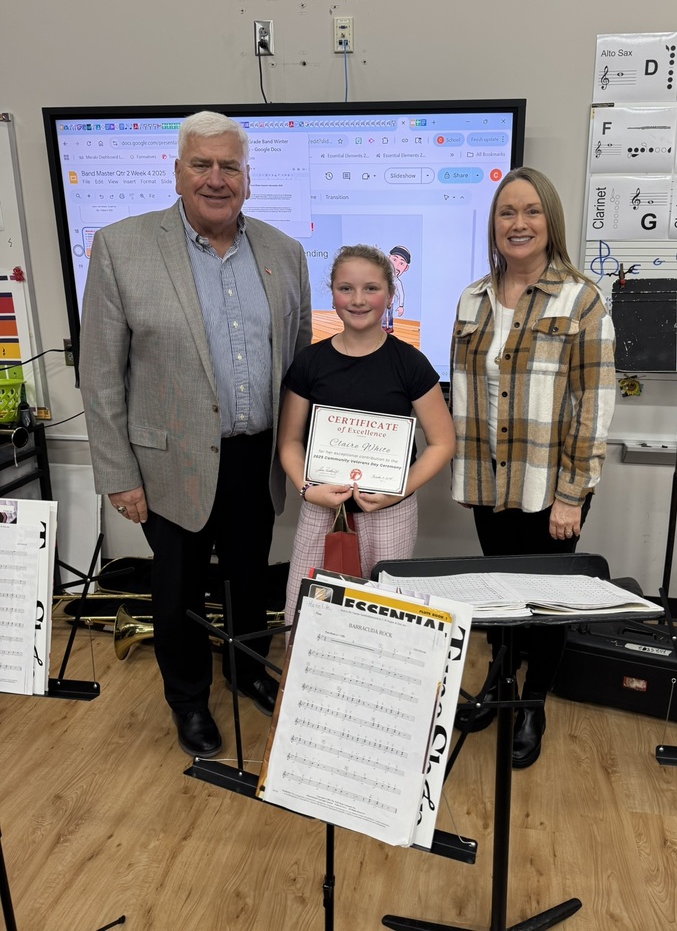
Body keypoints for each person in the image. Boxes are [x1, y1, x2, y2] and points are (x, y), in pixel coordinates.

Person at [79, 111, 311, 759]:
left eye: (229, 166)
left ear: (247, 177)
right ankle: (188, 700)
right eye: (202, 165)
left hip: (253, 456)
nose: (216, 178)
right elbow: (99, 372)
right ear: (178, 173)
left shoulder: (284, 251)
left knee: (246, 578)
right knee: (177, 589)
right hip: (166, 465)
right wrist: (118, 474)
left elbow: (299, 362)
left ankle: (243, 670)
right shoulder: (123, 246)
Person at [450, 167, 615, 767]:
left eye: (531, 212)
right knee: (500, 592)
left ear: (550, 221)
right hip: (487, 479)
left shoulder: (582, 298)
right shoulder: (472, 298)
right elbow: (466, 396)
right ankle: (500, 684)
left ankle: (532, 704)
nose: (518, 224)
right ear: (493, 225)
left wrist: (574, 493)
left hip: (552, 485)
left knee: (543, 604)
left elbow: (595, 404)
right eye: (505, 213)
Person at [278, 245, 455, 625]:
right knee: (309, 612)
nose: (358, 300)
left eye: (371, 288)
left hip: (389, 510)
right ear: (333, 294)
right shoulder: (310, 362)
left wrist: (400, 488)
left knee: (380, 618)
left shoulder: (409, 363)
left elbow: (443, 443)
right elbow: (289, 441)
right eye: (346, 288)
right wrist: (308, 489)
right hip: (322, 505)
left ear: (390, 295)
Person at [381, 245, 410, 334]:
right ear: (388, 258)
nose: (396, 265)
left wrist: (401, 306)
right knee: (382, 315)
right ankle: (382, 327)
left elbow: (401, 294)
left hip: (391, 302)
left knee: (389, 315)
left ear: (406, 268)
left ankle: (389, 327)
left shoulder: (397, 282)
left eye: (401, 263)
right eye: (394, 259)